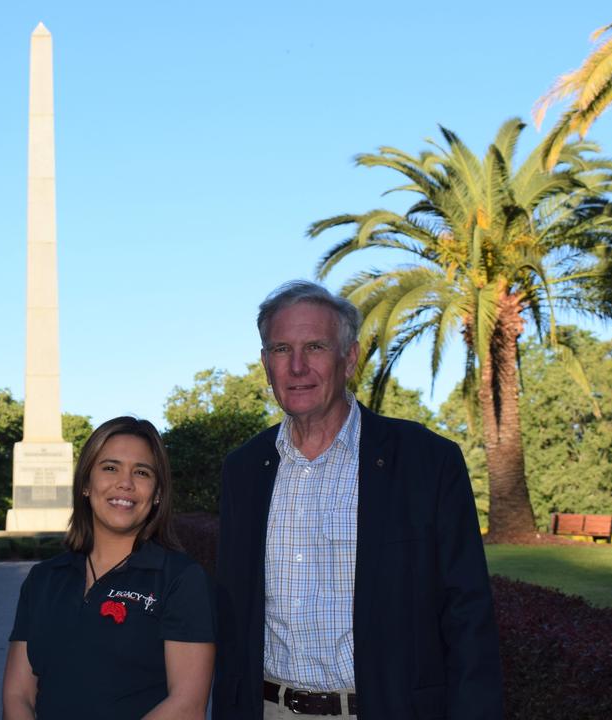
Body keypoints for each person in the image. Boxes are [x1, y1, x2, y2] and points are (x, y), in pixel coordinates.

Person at [212, 280, 503, 719]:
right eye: (280, 349)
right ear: (265, 362)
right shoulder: (244, 470)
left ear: (349, 359)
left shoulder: (426, 462)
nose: (296, 367)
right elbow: (233, 615)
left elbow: (468, 614)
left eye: (314, 347)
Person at [3, 417, 215, 719]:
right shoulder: (43, 579)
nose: (125, 483)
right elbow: (18, 694)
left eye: (141, 472)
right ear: (87, 484)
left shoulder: (181, 579)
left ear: (157, 494)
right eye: (110, 468)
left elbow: (186, 706)